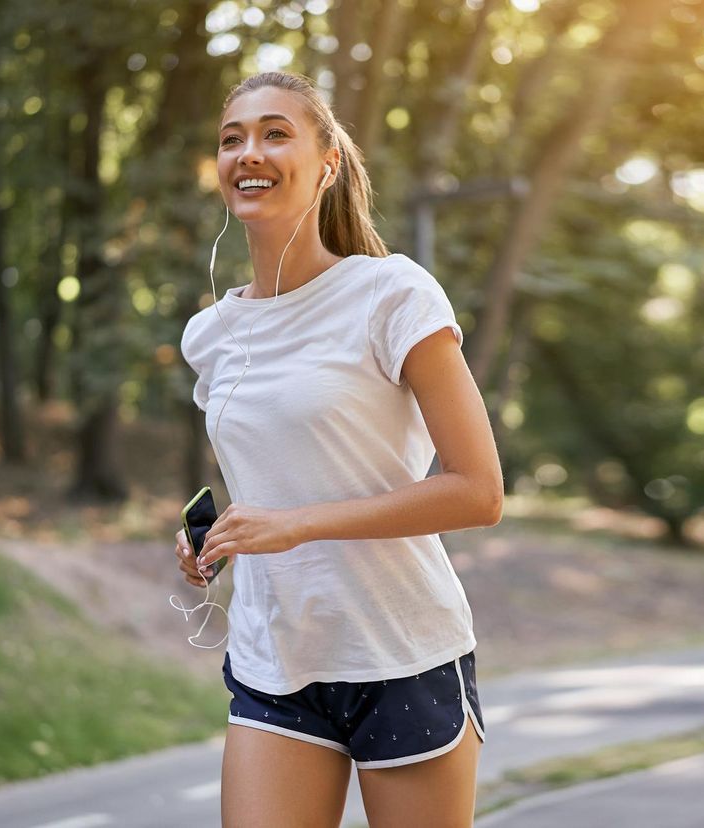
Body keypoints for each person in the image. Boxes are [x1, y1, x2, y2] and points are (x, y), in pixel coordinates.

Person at [173, 71, 503, 828]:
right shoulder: (211, 335)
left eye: (275, 133)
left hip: (400, 649)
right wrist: (217, 539)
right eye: (232, 139)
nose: (249, 153)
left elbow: (479, 491)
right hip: (275, 657)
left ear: (327, 166)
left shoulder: (392, 295)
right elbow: (274, 475)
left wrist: (296, 525)